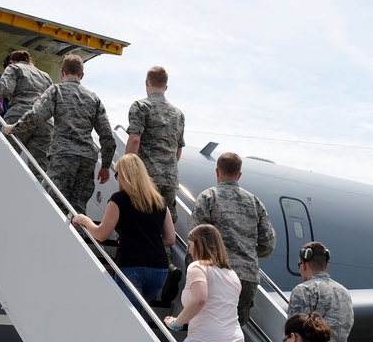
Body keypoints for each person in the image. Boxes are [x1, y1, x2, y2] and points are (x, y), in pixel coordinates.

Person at [4, 54, 115, 215]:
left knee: (53, 204)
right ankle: (78, 238)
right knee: (78, 209)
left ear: (62, 72)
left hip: (64, 155)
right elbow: (107, 136)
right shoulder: (94, 98)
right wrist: (105, 165)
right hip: (87, 159)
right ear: (81, 75)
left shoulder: (57, 91)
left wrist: (14, 127)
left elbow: (37, 116)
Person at [71, 154, 175, 308]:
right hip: (159, 270)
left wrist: (84, 220)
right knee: (137, 316)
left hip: (132, 266)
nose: (117, 178)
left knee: (128, 316)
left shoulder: (119, 199)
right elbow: (170, 239)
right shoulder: (160, 201)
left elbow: (101, 234)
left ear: (124, 175)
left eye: (117, 174)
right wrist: (147, 242)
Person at [191, 152, 276, 326]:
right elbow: (268, 243)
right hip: (247, 278)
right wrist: (248, 251)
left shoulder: (208, 197)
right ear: (239, 174)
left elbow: (197, 237)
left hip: (218, 274)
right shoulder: (255, 202)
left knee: (209, 328)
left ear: (217, 171)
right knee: (234, 330)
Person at [126, 65, 185, 222]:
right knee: (163, 227)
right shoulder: (178, 114)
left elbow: (134, 139)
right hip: (170, 180)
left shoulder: (141, 106)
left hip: (148, 178)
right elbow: (178, 152)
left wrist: (126, 169)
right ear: (166, 86)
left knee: (142, 224)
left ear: (146, 82)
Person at [0, 50, 54, 170]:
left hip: (19, 116)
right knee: (39, 167)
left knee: (5, 159)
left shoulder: (14, 68)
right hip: (45, 122)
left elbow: (5, 90)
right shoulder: (45, 76)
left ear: (12, 62)